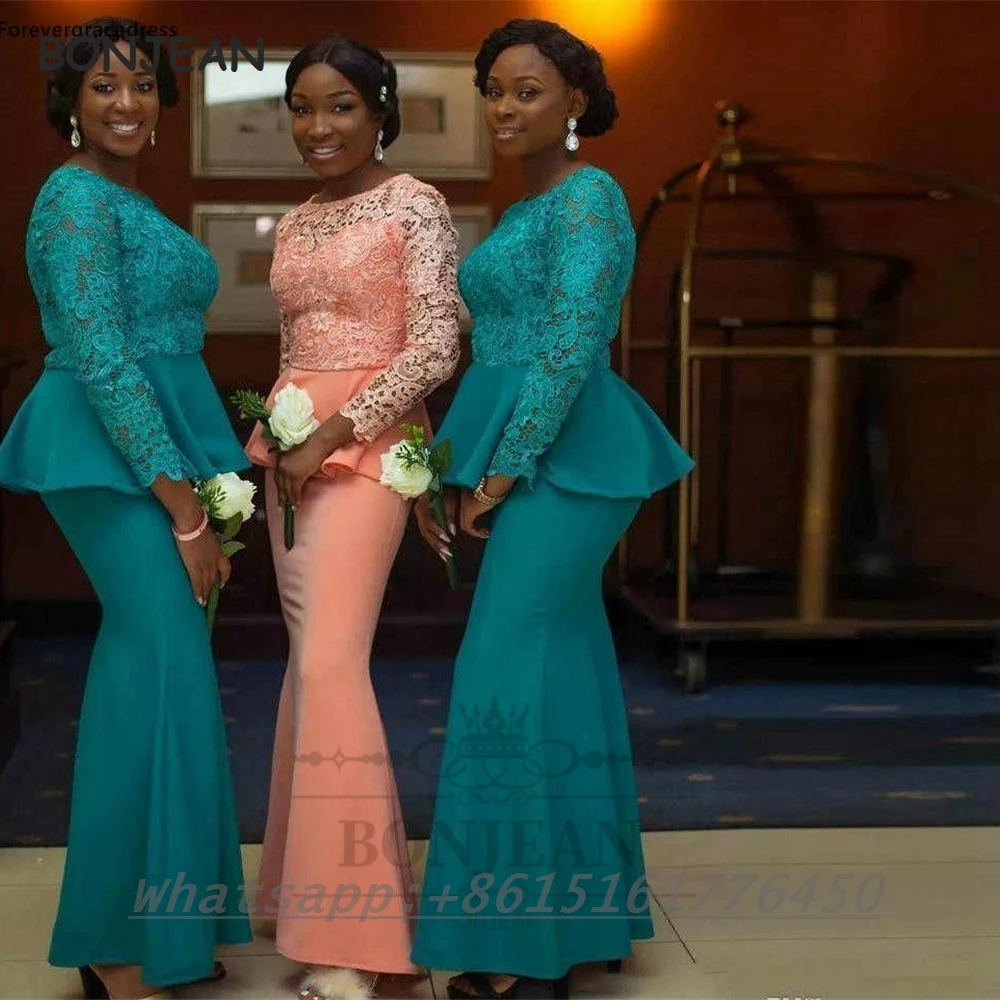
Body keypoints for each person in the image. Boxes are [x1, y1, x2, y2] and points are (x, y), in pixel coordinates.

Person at [410, 19, 695, 1000]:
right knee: (563, 667)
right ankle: (584, 916)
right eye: (492, 90)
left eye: (526, 91)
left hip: (568, 456)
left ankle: (518, 949)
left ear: (576, 101)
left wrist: (498, 473)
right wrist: (458, 466)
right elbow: (502, 350)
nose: (503, 107)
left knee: (502, 671)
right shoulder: (534, 205)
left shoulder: (590, 196)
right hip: (521, 448)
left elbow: (572, 345)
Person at [0, 17, 253, 1000]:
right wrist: (185, 513)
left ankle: (170, 927)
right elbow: (104, 359)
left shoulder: (125, 198)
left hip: (157, 445)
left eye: (142, 84)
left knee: (167, 669)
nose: (127, 102)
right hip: (105, 447)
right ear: (70, 101)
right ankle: (111, 944)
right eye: (104, 85)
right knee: (157, 656)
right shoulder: (72, 197)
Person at [243, 35, 461, 1000]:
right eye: (301, 107)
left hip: (363, 447)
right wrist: (283, 441)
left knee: (332, 665)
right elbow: (295, 342)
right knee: (310, 668)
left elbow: (437, 345)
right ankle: (309, 901)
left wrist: (338, 435)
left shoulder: (415, 203)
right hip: (290, 449)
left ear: (380, 112)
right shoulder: (295, 220)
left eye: (339, 106)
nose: (317, 126)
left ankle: (362, 945)